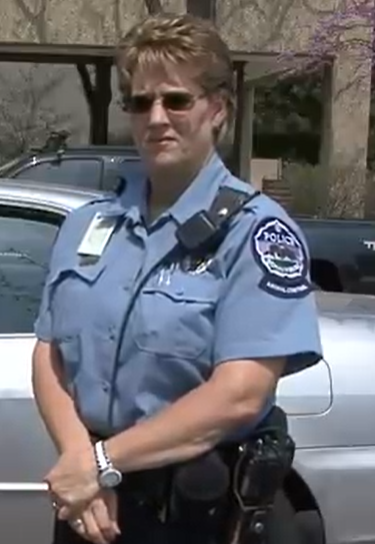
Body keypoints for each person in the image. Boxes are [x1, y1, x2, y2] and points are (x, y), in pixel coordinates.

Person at [31, 12, 321, 544]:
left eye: (176, 100)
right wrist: (80, 460)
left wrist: (102, 461)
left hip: (197, 516)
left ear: (218, 110)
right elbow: (49, 355)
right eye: (140, 102)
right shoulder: (86, 224)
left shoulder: (256, 234)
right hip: (92, 506)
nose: (157, 117)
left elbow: (240, 394)